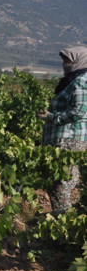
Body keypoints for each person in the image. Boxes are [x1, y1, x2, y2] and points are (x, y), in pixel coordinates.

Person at [37, 46, 87, 213]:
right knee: (60, 182)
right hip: (66, 139)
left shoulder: (80, 80)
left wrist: (51, 117)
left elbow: (79, 111)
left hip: (69, 139)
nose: (65, 64)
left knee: (60, 183)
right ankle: (65, 222)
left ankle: (63, 223)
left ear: (79, 60)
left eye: (68, 60)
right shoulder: (72, 80)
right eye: (64, 60)